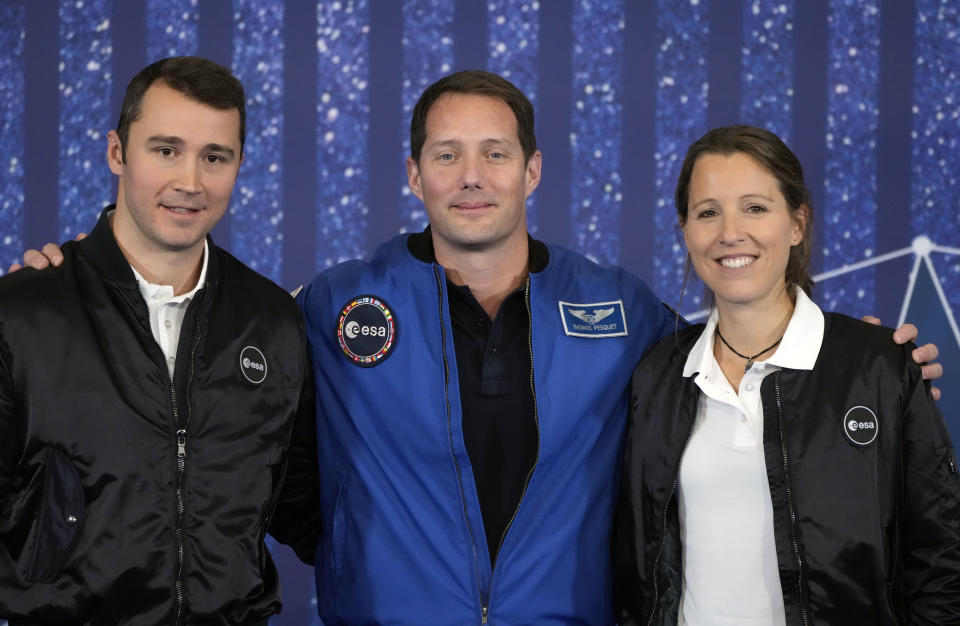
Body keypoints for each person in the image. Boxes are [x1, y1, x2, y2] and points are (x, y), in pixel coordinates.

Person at [12, 73, 942, 625]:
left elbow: (733, 359)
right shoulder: (328, 306)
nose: (471, 177)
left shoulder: (621, 308)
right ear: (412, 173)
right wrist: (74, 276)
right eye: (446, 155)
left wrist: (857, 358)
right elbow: (249, 441)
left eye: (495, 153)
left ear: (532, 170)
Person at [0, 57, 315, 624]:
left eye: (214, 157)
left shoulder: (273, 322)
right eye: (166, 150)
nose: (190, 182)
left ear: (238, 165)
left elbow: (304, 507)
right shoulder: (22, 314)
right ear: (118, 152)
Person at [614, 125, 960, 625]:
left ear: (797, 224)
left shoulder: (879, 367)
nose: (730, 231)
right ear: (686, 232)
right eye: (708, 212)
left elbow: (942, 563)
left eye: (755, 207)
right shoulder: (658, 376)